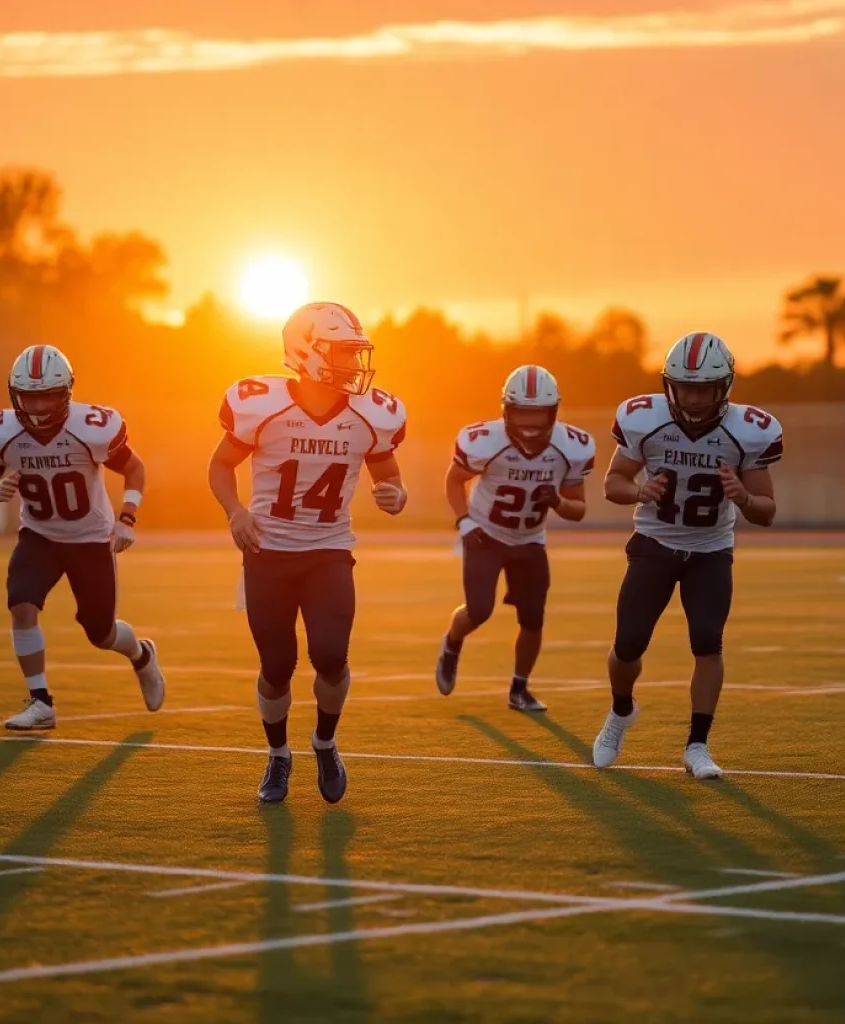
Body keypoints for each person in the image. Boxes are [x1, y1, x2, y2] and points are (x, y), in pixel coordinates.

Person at [208, 302, 407, 805]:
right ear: (306, 351)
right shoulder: (263, 404)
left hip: (329, 551)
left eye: (354, 353)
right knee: (276, 667)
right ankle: (278, 756)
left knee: (331, 657)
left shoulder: (369, 414)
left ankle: (325, 742)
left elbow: (390, 478)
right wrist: (235, 511)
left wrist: (396, 495)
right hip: (268, 552)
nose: (352, 365)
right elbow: (219, 465)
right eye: (342, 352)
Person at [593, 331, 783, 778]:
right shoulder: (646, 421)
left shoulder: (746, 431)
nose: (694, 399)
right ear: (669, 385)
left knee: (707, 642)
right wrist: (640, 490)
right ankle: (621, 711)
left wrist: (742, 497)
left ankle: (697, 745)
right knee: (628, 645)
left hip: (710, 550)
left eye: (704, 389)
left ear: (724, 387)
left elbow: (767, 511)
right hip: (654, 544)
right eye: (686, 388)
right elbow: (612, 483)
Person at [0, 344, 164, 729]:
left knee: (102, 633)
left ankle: (141, 655)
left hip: (90, 538)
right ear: (15, 393)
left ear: (65, 393)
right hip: (39, 535)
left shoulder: (90, 427)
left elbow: (135, 468)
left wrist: (127, 518)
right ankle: (41, 702)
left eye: (46, 397)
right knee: (21, 606)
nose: (38, 407)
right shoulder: (0, 434)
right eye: (29, 397)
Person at [436, 365, 595, 711]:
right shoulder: (484, 441)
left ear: (553, 412)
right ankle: (451, 643)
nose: (529, 422)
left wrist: (556, 500)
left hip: (530, 539)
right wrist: (464, 522)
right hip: (485, 535)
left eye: (537, 412)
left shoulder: (570, 446)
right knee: (479, 611)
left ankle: (519, 689)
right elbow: (453, 480)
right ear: (506, 409)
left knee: (533, 618)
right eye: (522, 410)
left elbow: (578, 510)